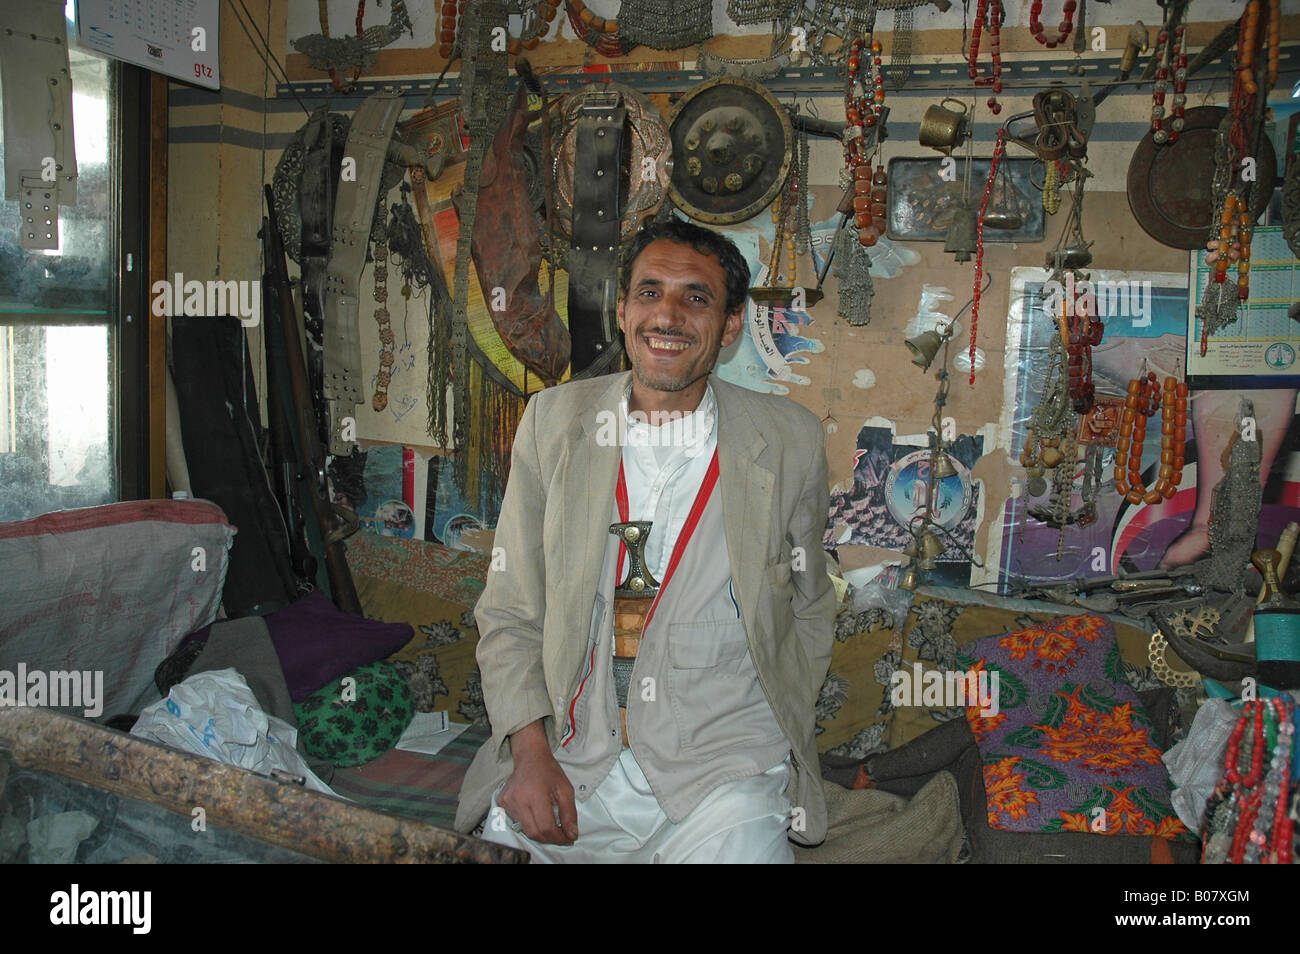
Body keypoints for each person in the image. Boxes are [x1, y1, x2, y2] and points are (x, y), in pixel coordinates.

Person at [453, 218, 836, 863]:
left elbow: (807, 601)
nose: (669, 315)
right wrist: (530, 753)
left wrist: (775, 728)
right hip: (573, 757)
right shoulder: (555, 423)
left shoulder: (790, 438)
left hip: (723, 766)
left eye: (696, 297)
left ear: (732, 324)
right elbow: (511, 607)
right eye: (649, 292)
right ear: (623, 311)